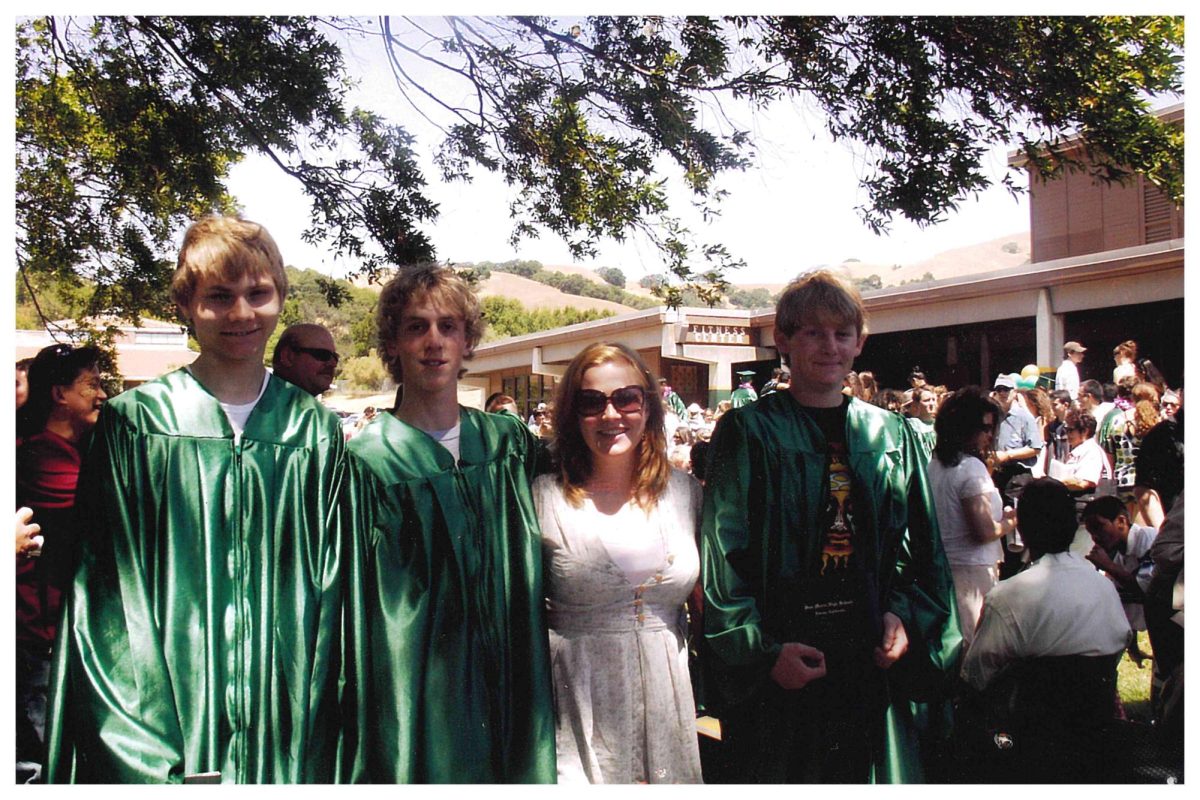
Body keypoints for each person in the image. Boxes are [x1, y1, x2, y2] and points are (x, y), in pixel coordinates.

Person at [45, 216, 349, 783]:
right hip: (166, 717)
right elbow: (106, 601)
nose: (240, 314)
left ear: (280, 297)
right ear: (186, 305)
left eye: (257, 294)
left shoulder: (314, 433)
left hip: (282, 722)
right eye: (219, 297)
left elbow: (332, 594)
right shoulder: (137, 426)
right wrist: (140, 749)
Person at [701, 269, 960, 783]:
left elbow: (920, 545)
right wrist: (762, 652)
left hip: (871, 660)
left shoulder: (891, 433)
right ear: (783, 340)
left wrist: (903, 616)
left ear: (860, 343)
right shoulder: (750, 431)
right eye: (813, 333)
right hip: (786, 662)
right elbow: (723, 552)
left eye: (842, 334)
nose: (829, 346)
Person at [342, 264, 555, 782]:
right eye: (416, 326)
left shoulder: (506, 444)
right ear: (392, 344)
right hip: (421, 696)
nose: (433, 342)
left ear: (467, 341)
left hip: (514, 679)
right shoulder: (369, 463)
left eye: (448, 326)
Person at [533, 343, 702, 783]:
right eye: (592, 402)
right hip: (575, 718)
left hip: (670, 713)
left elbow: (709, 610)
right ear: (572, 414)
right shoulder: (541, 498)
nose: (611, 415)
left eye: (626, 398)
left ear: (648, 407)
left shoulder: (685, 495)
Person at [959, 478, 1130, 782]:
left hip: (1030, 748)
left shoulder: (1009, 596)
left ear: (1021, 530)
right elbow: (1118, 643)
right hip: (1098, 740)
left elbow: (976, 676)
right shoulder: (1103, 587)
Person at [15, 344, 107, 783]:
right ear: (58, 394)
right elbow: (102, 511)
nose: (102, 394)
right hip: (39, 636)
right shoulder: (38, 455)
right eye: (91, 384)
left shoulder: (72, 451)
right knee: (41, 756)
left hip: (62, 631)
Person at [927, 388, 1016, 646]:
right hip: (972, 573)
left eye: (991, 429)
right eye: (983, 428)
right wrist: (1013, 518)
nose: (989, 436)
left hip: (947, 568)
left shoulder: (936, 463)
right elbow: (985, 531)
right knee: (973, 646)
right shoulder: (970, 467)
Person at [1082, 496, 1158, 663]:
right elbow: (1125, 605)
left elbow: (1146, 590)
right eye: (1091, 532)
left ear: (1121, 521)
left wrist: (1108, 566)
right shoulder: (1115, 553)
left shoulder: (1148, 539)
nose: (1095, 537)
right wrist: (1133, 647)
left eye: (1099, 528)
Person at [990, 373, 1043, 501]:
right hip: (997, 473)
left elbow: (1035, 448)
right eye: (999, 390)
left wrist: (1008, 455)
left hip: (1018, 476)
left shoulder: (1025, 417)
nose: (1003, 393)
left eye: (1006, 389)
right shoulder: (993, 416)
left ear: (1014, 393)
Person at [1049, 409, 1112, 494]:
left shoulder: (1092, 451)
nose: (1067, 434)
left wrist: (1053, 484)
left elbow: (1082, 483)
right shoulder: (1080, 450)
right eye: (1066, 430)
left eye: (1070, 430)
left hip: (1089, 502)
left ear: (1085, 431)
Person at [271, 322, 339, 396]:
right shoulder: (263, 404)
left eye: (335, 357)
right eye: (322, 354)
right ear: (288, 356)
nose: (333, 364)